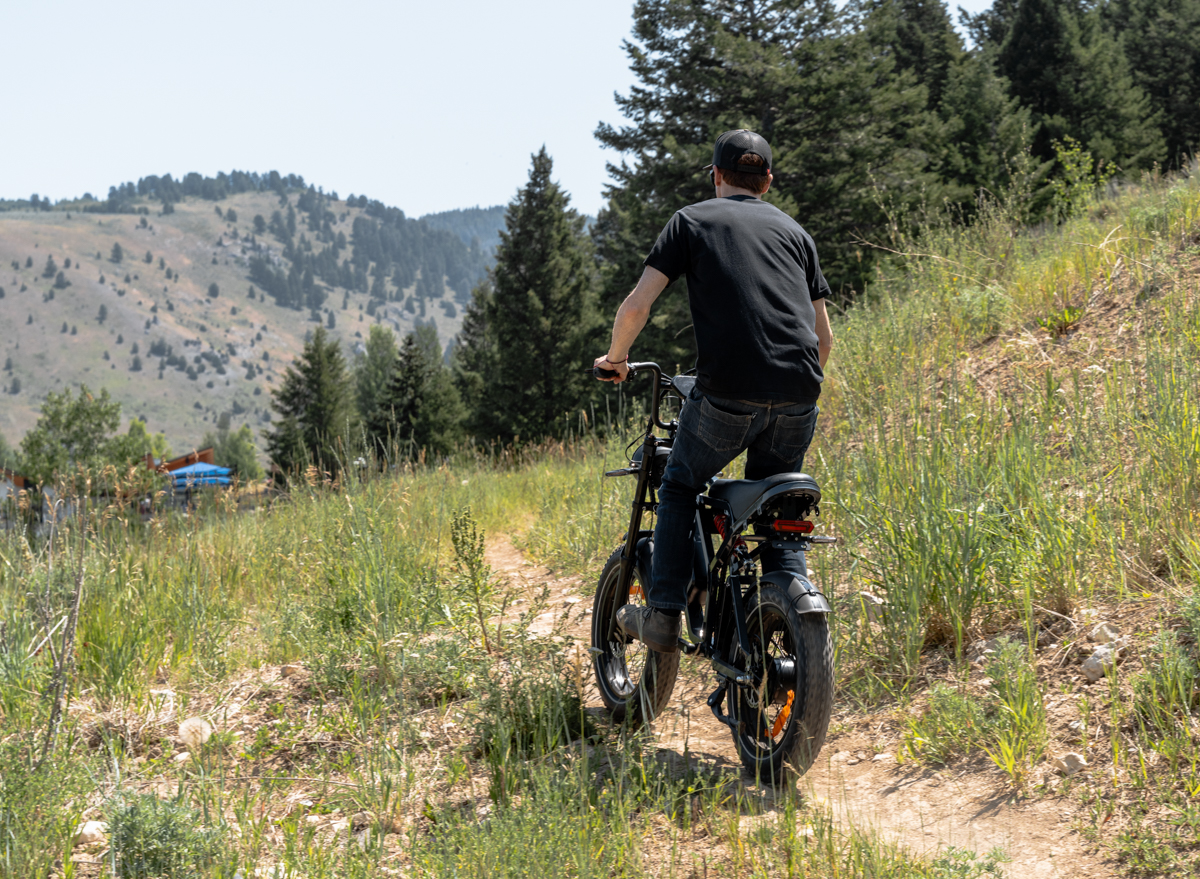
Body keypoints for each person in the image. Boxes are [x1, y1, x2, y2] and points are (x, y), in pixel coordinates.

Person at [594, 129, 833, 653]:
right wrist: (789, 390)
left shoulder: (691, 221)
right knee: (778, 514)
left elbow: (637, 306)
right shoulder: (798, 234)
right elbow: (824, 339)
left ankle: (663, 614)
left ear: (717, 176)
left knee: (680, 484)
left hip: (726, 396)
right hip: (800, 394)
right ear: (767, 181)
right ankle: (785, 626)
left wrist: (615, 360)